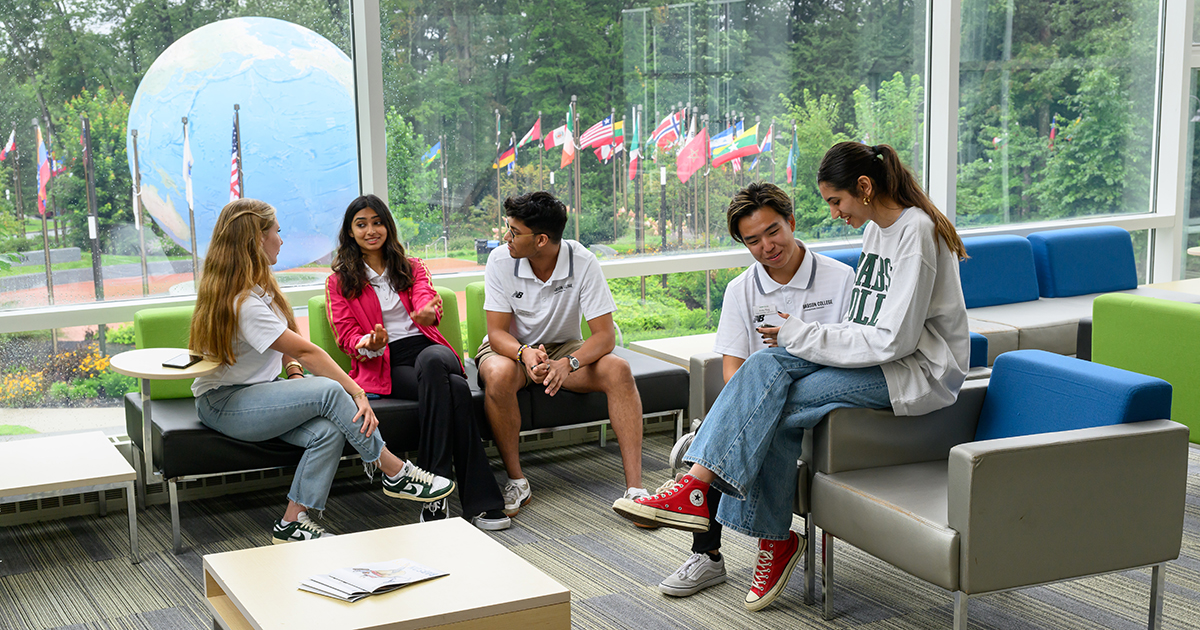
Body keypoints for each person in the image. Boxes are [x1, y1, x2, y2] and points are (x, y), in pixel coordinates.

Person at [614, 142, 970, 611]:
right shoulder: (876, 232)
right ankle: (722, 504)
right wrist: (795, 338)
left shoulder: (916, 232)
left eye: (836, 201)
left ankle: (722, 504)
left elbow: (893, 341)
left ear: (864, 188)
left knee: (776, 403)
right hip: (876, 358)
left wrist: (796, 333)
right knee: (765, 367)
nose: (834, 211)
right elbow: (862, 329)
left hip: (915, 370)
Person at [189, 198, 455, 545]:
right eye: (277, 233)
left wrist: (296, 377)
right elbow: (304, 349)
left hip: (256, 394)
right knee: (331, 391)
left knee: (327, 431)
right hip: (224, 403)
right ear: (256, 239)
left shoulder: (259, 289)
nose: (281, 241)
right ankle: (394, 471)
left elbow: (290, 350)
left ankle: (293, 520)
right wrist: (356, 391)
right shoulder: (243, 302)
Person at [656, 182, 856, 598]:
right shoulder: (740, 290)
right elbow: (733, 370)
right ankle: (709, 555)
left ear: (792, 223)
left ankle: (759, 535)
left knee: (730, 427)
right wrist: (758, 402)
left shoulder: (840, 279)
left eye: (773, 231)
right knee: (738, 419)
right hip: (762, 393)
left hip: (825, 397)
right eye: (753, 240)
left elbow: (846, 353)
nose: (767, 246)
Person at [325, 194, 510, 531]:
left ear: (387, 225)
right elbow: (345, 335)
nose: (371, 230)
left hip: (427, 349)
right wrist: (368, 342)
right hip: (385, 363)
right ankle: (482, 502)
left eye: (377, 222)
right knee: (454, 389)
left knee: (434, 362)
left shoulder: (411, 266)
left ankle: (433, 494)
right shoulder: (339, 281)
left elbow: (427, 299)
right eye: (361, 224)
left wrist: (428, 312)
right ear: (350, 232)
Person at [477, 191, 648, 516]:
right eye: (507, 228)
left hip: (564, 348)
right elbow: (497, 333)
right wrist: (525, 353)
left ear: (541, 240)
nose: (506, 237)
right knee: (498, 375)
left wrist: (569, 363)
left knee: (619, 370)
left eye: (514, 231)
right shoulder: (500, 259)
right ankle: (517, 481)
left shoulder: (582, 261)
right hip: (512, 349)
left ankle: (635, 490)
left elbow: (604, 336)